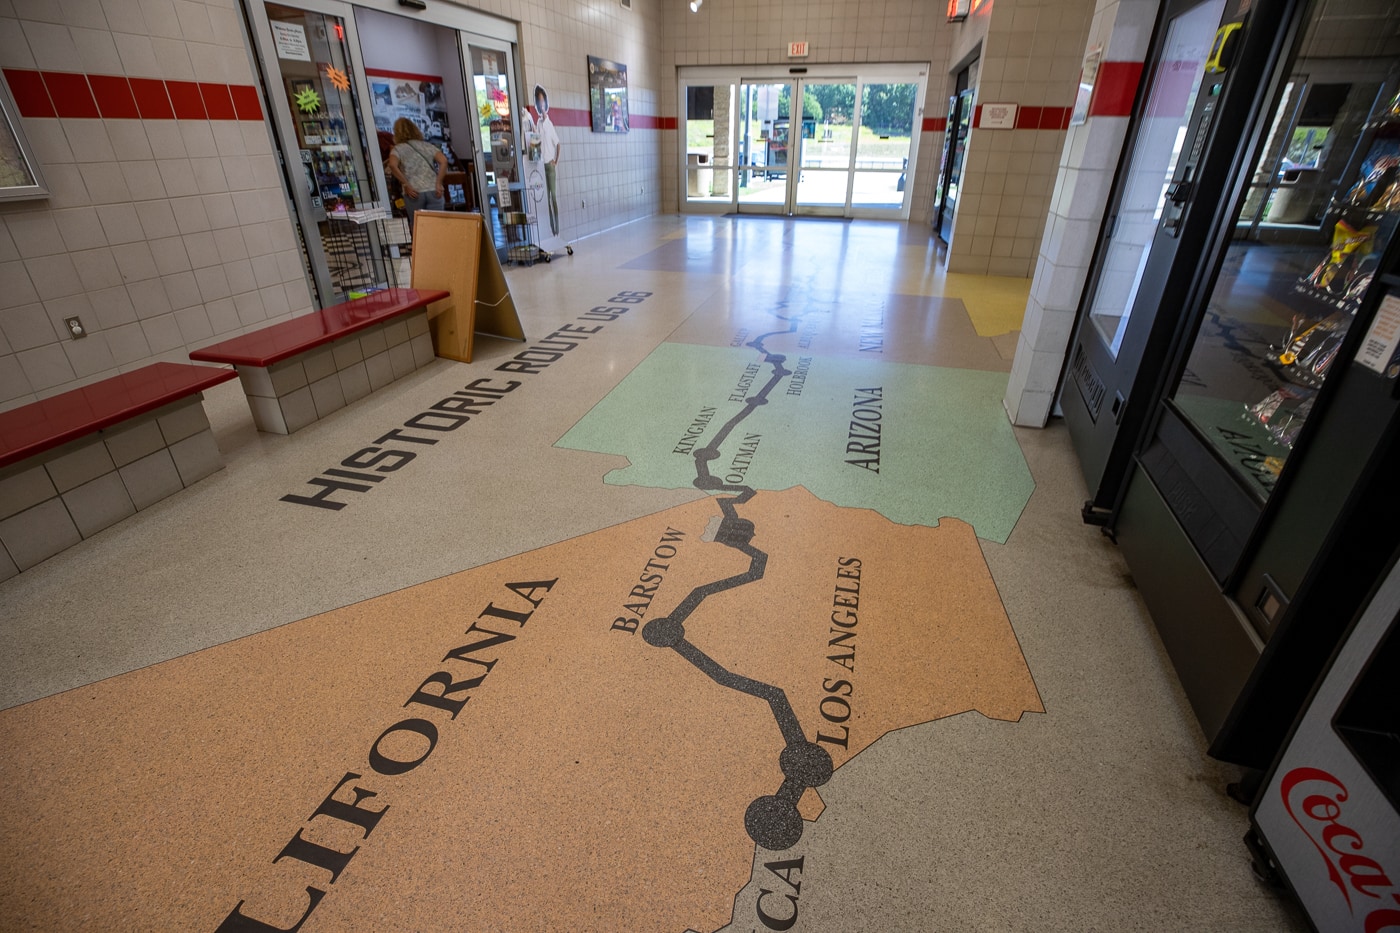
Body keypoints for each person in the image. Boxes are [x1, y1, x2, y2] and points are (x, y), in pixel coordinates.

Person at [386, 116, 448, 227]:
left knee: (419, 227)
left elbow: (392, 165)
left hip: (414, 192)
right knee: (437, 227)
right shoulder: (427, 146)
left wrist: (406, 183)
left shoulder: (398, 149)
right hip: (434, 190)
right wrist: (438, 183)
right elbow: (443, 161)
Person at [534, 85, 561, 236]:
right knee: (545, 199)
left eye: (543, 102)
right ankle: (550, 229)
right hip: (540, 166)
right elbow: (535, 142)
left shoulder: (548, 124)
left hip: (549, 166)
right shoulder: (538, 124)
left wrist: (555, 161)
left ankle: (556, 228)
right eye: (539, 102)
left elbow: (558, 144)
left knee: (553, 197)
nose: (541, 105)